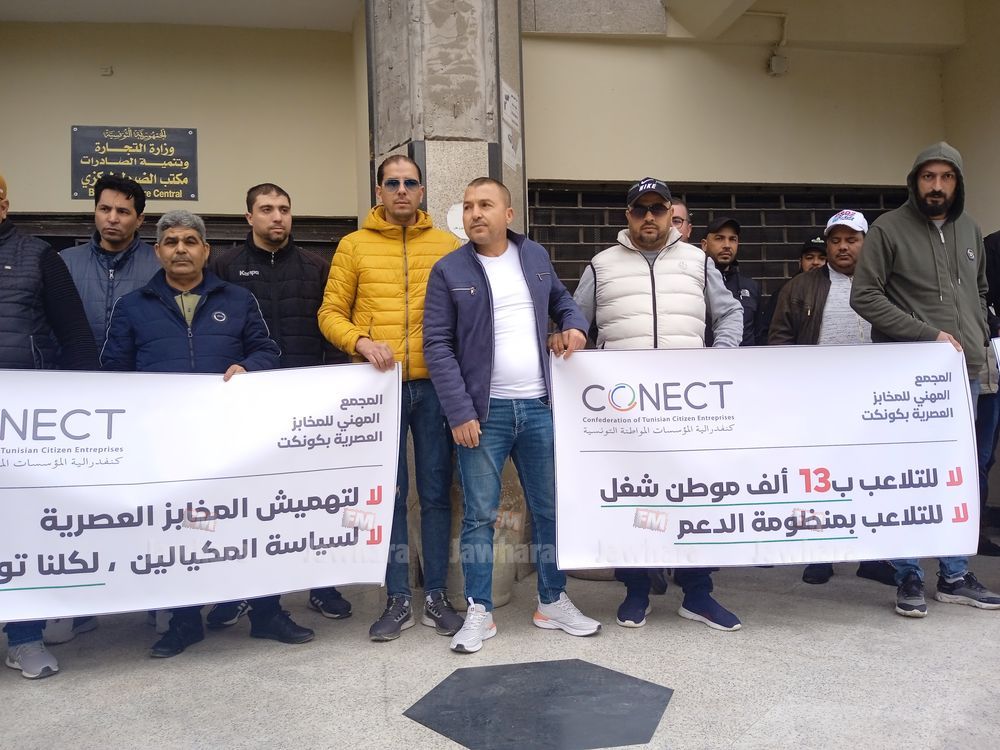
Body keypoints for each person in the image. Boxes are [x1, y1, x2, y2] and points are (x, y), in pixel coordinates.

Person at [101, 209, 315, 656]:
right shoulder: (133, 307)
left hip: (232, 440)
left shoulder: (237, 299)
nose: (181, 249)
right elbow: (114, 372)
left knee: (249, 525)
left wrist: (248, 367)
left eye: (190, 241)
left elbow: (267, 350)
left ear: (206, 250)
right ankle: (184, 622)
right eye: (171, 242)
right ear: (157, 252)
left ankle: (266, 612)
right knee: (179, 530)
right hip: (167, 443)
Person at [424, 177, 601, 653]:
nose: (474, 213)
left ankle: (552, 600)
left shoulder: (534, 256)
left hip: (539, 407)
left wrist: (574, 326)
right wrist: (459, 411)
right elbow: (436, 345)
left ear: (508, 214)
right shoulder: (448, 269)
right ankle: (479, 610)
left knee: (549, 508)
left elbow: (562, 300)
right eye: (467, 206)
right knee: (480, 516)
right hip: (484, 414)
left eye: (485, 205)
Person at [571, 177, 744, 631]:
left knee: (693, 496)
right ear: (627, 216)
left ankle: (698, 593)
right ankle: (636, 589)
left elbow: (730, 312)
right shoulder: (601, 265)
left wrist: (721, 356)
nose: (649, 217)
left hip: (687, 407)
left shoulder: (698, 262)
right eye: (640, 209)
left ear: (672, 215)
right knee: (632, 497)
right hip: (624, 411)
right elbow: (576, 321)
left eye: (657, 209)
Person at [317, 156, 464, 642]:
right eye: (392, 182)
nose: (402, 189)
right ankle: (398, 597)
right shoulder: (353, 245)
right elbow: (330, 312)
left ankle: (436, 595)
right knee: (390, 495)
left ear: (422, 191)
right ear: (379, 191)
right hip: (379, 390)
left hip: (435, 386)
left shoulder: (447, 246)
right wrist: (359, 341)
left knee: (436, 493)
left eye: (410, 182)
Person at [851, 141, 1000, 617]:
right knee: (907, 474)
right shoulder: (888, 228)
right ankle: (908, 574)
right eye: (928, 176)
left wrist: (977, 339)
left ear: (958, 182)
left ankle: (954, 575)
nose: (937, 186)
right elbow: (865, 296)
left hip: (963, 374)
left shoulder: (970, 228)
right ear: (914, 181)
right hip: (907, 374)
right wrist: (928, 334)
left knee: (956, 472)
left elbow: (978, 292)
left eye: (946, 177)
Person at [205, 183, 352, 629]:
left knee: (312, 502)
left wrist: (335, 387)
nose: (277, 217)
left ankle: (322, 585)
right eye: (266, 209)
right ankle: (241, 592)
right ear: (249, 217)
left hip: (307, 404)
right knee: (246, 503)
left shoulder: (316, 266)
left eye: (284, 209)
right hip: (248, 404)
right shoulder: (223, 267)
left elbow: (332, 330)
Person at [0, 173, 99, 678]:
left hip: (25, 422)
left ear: (4, 203)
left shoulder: (39, 255)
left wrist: (87, 405)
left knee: (21, 528)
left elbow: (75, 336)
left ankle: (24, 636)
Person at [768, 209, 896, 586]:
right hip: (819, 400)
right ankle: (820, 552)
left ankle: (873, 556)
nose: (842, 247)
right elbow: (780, 340)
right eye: (835, 240)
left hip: (874, 398)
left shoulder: (887, 284)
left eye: (851, 240)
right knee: (821, 477)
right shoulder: (800, 286)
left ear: (866, 243)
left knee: (873, 476)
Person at [60, 174, 161, 346]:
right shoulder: (66, 261)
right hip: (78, 362)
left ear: (139, 220)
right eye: (105, 209)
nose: (112, 219)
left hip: (138, 362)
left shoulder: (159, 264)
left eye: (122, 211)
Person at [974, 229, 1000, 556]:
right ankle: (974, 532)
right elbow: (980, 303)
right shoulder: (990, 247)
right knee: (981, 455)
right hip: (989, 364)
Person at [701, 216, 763, 345]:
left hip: (744, 358)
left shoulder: (751, 287)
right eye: (719, 238)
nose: (727, 245)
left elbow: (759, 336)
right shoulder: (695, 283)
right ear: (704, 245)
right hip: (703, 356)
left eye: (732, 239)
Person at [760, 236, 827, 335]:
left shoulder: (837, 291)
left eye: (822, 258)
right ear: (800, 262)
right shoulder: (786, 292)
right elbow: (766, 332)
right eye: (809, 258)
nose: (815, 262)